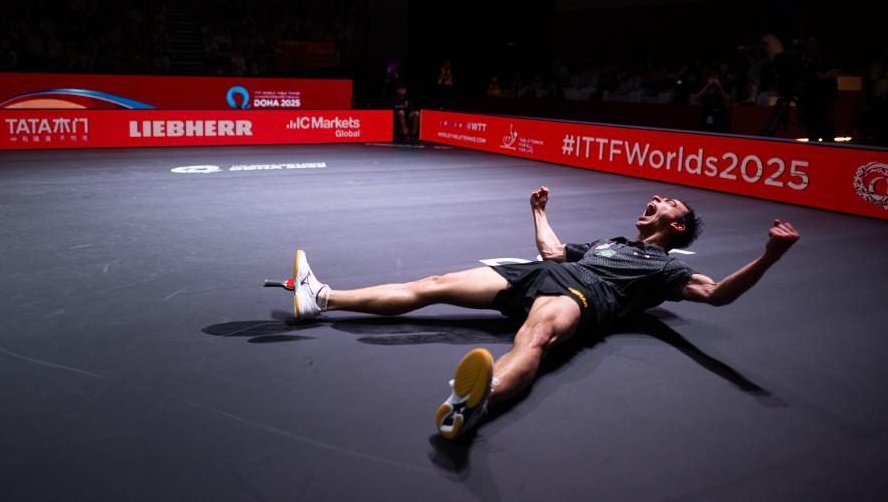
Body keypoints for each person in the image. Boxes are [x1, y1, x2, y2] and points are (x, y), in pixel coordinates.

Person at [276, 185, 800, 440]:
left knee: (533, 341)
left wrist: (769, 256)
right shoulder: (611, 241)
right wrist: (539, 211)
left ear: (676, 226)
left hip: (584, 296)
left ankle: (473, 404)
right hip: (538, 274)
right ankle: (321, 297)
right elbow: (552, 252)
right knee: (432, 285)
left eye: (668, 203)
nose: (657, 198)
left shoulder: (666, 267)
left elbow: (717, 294)